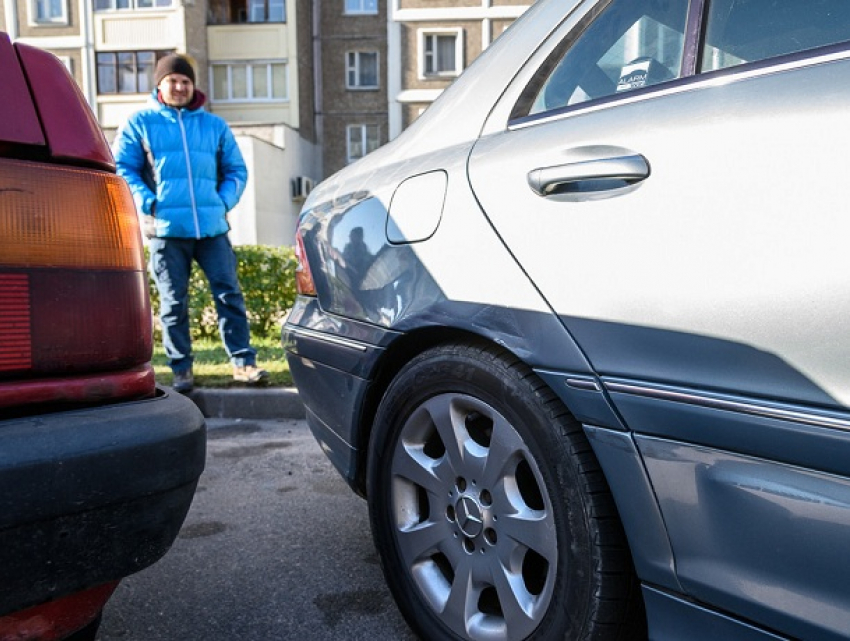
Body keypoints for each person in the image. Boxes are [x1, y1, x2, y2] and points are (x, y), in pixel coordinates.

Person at [113, 53, 268, 393]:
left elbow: (236, 171)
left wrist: (222, 202)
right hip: (167, 232)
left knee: (229, 296)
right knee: (173, 303)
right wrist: (148, 202)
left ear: (193, 85)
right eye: (173, 81)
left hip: (212, 230)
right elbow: (124, 168)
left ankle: (243, 363)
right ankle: (181, 369)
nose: (180, 86)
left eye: (186, 81)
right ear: (160, 84)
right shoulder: (140, 123)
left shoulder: (214, 126)